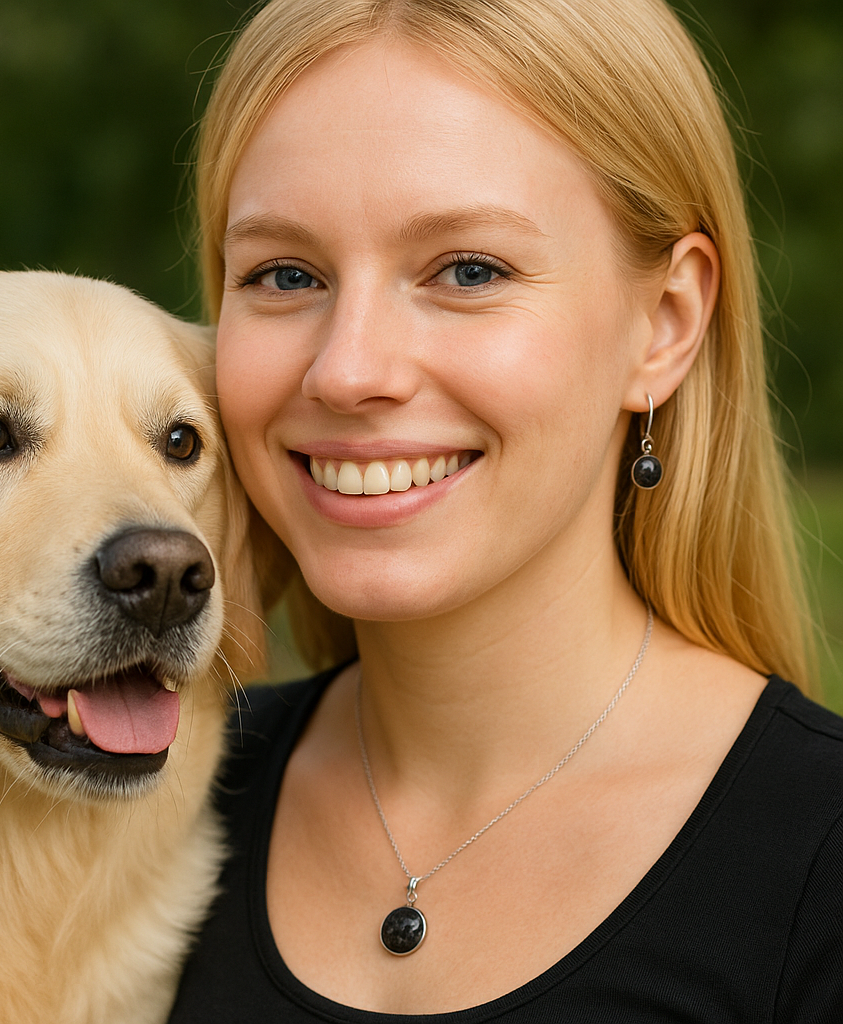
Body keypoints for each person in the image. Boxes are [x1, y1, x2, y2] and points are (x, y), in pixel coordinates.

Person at [170, 0, 843, 1019]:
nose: (348, 369)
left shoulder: (818, 859)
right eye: (285, 274)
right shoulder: (140, 797)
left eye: (468, 270)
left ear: (663, 324)